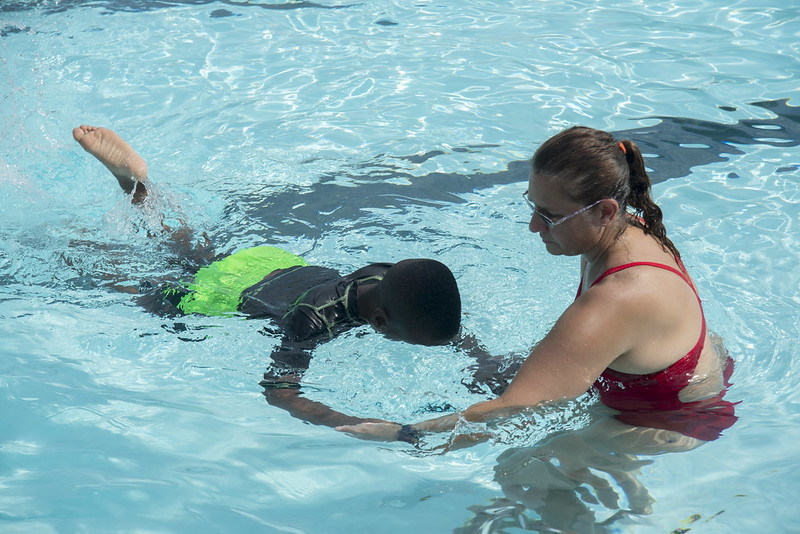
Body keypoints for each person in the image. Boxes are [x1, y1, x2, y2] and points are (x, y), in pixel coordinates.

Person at [338, 125, 737, 444]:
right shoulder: (629, 228)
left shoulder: (617, 299)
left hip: (669, 420)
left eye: (549, 215)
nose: (533, 226)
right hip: (678, 376)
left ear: (605, 210)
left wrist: (402, 433)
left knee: (517, 477)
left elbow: (512, 411)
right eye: (532, 206)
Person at [72, 125, 464, 426]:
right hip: (230, 292)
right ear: (379, 322)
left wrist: (481, 358)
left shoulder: (385, 276)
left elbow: (436, 315)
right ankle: (82, 256)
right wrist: (357, 423)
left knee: (190, 250)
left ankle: (137, 182)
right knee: (147, 296)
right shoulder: (311, 321)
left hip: (270, 263)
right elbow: (281, 394)